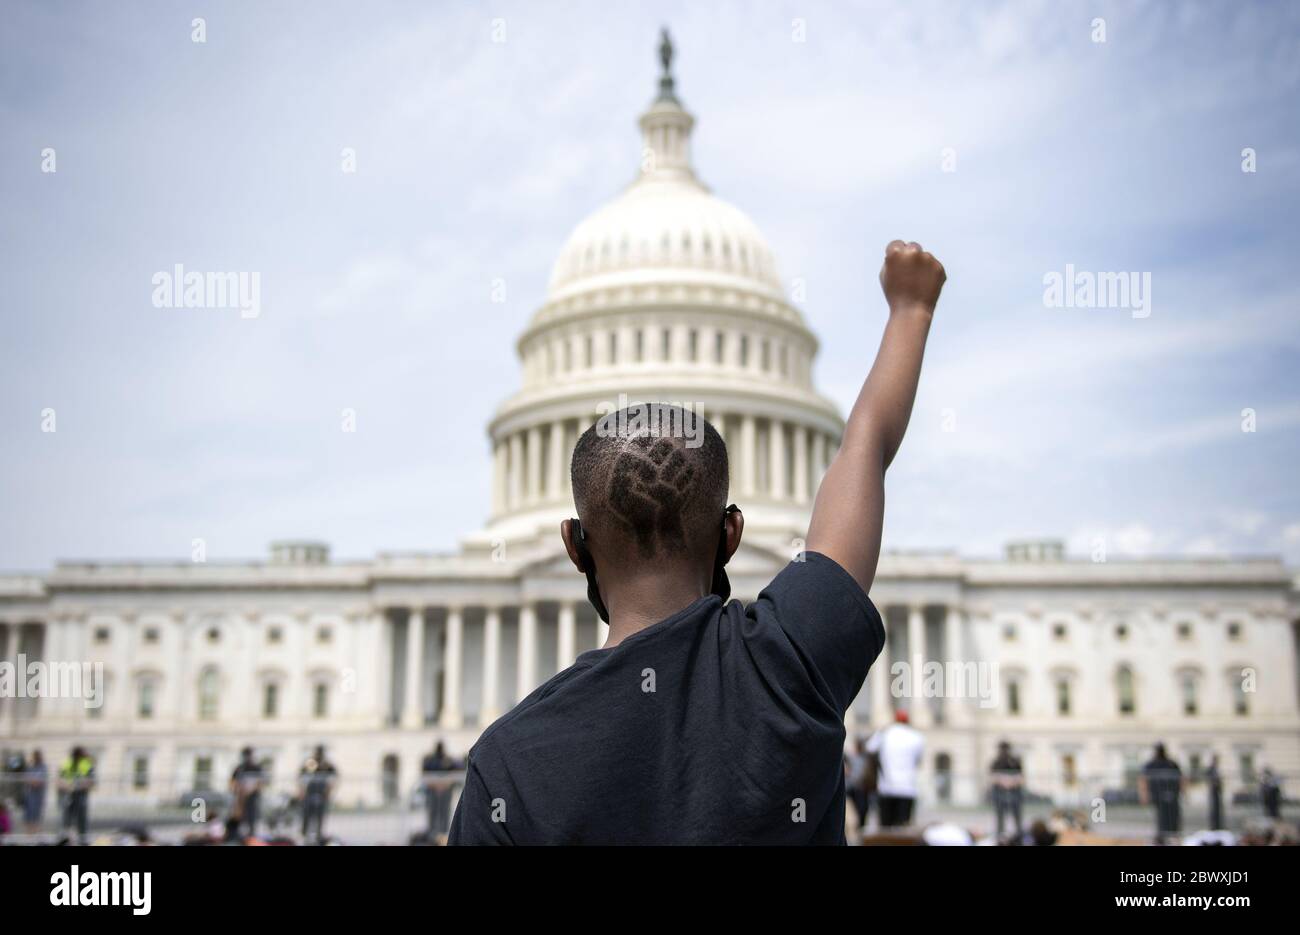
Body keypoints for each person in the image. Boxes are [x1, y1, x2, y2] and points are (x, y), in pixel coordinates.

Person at [450, 241, 946, 844]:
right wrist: (910, 311)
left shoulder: (507, 763)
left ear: (575, 546)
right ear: (731, 534)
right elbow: (865, 446)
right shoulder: (788, 667)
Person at [867, 710, 925, 828]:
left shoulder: (885, 734)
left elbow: (869, 747)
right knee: (903, 828)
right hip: (908, 788)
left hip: (886, 787)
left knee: (885, 828)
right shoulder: (917, 736)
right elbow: (919, 760)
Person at [1139, 743, 1183, 844]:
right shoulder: (1153, 764)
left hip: (1171, 795)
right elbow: (1143, 780)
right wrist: (1144, 794)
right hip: (1158, 796)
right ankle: (1162, 837)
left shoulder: (1171, 764)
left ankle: (1171, 836)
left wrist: (1182, 791)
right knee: (1162, 818)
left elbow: (1180, 778)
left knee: (1172, 817)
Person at [298, 746, 337, 843]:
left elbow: (333, 778)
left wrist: (329, 790)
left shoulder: (327, 765)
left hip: (321, 794)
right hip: (310, 793)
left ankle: (318, 837)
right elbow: (302, 777)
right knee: (306, 815)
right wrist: (301, 791)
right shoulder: (310, 763)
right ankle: (304, 835)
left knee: (320, 817)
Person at [58, 746, 95, 843]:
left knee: (80, 820)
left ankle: (82, 840)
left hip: (80, 796)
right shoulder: (67, 763)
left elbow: (91, 781)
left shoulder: (86, 764)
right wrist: (69, 786)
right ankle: (66, 840)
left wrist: (76, 786)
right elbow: (59, 780)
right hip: (68, 795)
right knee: (67, 821)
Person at [421, 741, 457, 839]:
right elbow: (425, 774)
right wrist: (436, 785)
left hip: (445, 790)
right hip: (433, 790)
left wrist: (443, 785)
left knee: (444, 812)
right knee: (433, 812)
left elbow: (454, 774)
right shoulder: (431, 760)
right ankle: (433, 835)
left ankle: (443, 835)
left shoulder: (447, 760)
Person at [990, 741, 1025, 839]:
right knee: (1000, 816)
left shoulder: (1015, 761)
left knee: (1017, 815)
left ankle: (1019, 835)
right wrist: (1003, 782)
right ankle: (1000, 835)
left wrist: (1011, 782)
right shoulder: (996, 762)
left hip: (1014, 792)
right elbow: (993, 777)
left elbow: (1020, 776)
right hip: (1000, 792)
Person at [229, 747, 264, 839]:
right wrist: (238, 789)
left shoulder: (256, 768)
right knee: (240, 817)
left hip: (253, 797)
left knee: (252, 817)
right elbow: (233, 782)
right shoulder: (239, 768)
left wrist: (250, 790)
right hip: (240, 797)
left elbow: (260, 783)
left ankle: (251, 835)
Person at [845, 737, 871, 831]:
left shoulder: (865, 757)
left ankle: (860, 828)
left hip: (862, 788)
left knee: (863, 810)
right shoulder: (851, 757)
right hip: (852, 788)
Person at [23, 749, 48, 834]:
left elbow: (40, 781)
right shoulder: (30, 767)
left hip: (39, 795)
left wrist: (34, 781)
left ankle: (36, 833)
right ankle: (29, 833)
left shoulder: (43, 767)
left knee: (37, 815)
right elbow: (27, 779)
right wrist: (33, 781)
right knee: (29, 815)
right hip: (30, 794)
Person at [1205, 755, 1223, 831]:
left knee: (1218, 808)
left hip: (1217, 791)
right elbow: (1207, 776)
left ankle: (1218, 825)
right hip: (1213, 791)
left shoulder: (1216, 769)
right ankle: (1214, 825)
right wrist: (1213, 782)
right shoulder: (1211, 768)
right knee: (1214, 808)